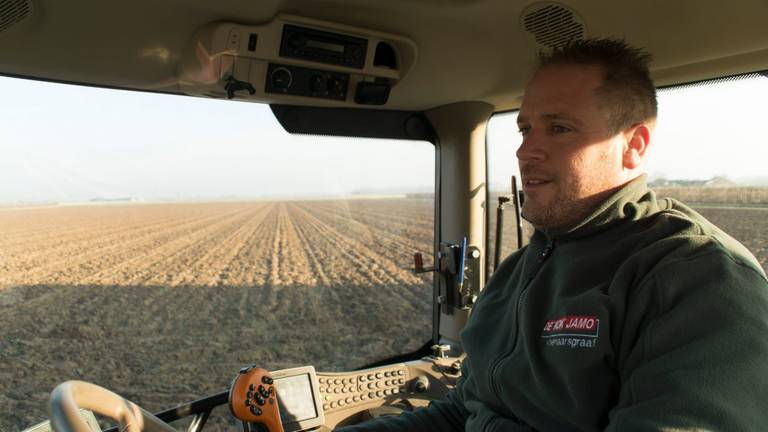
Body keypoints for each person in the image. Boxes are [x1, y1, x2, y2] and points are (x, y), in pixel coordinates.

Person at [336, 38, 768, 431]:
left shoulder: (698, 281)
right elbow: (462, 413)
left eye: (559, 128)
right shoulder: (514, 276)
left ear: (633, 145)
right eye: (525, 129)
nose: (525, 151)